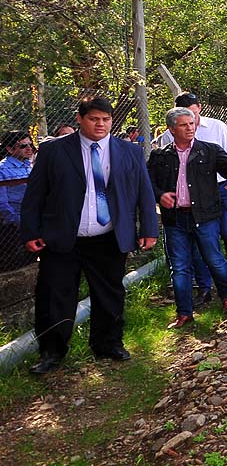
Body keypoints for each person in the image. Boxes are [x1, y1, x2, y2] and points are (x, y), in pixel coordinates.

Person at [20, 97, 158, 375]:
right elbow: (34, 195)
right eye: (94, 119)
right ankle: (51, 352)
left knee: (109, 294)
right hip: (62, 238)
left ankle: (108, 344)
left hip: (108, 237)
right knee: (55, 296)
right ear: (80, 119)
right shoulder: (55, 151)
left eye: (106, 119)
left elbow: (144, 191)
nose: (101, 124)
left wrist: (149, 229)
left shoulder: (128, 151)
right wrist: (31, 230)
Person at [147, 107, 227, 329]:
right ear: (171, 129)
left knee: (213, 258)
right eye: (184, 125)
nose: (190, 128)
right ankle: (184, 312)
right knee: (180, 266)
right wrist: (160, 195)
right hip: (175, 219)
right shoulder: (160, 156)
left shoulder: (209, 151)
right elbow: (148, 182)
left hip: (205, 217)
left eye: (191, 124)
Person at [157, 92, 227, 291]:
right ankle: (205, 286)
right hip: (192, 196)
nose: (190, 123)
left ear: (199, 107)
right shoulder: (168, 137)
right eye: (183, 119)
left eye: (192, 115)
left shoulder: (218, 127)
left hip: (222, 186)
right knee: (201, 241)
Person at [0, 130, 36, 271]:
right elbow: (2, 203)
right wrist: (17, 220)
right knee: (12, 265)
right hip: (12, 227)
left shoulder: (28, 166)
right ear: (9, 149)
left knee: (31, 260)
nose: (29, 149)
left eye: (30, 145)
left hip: (30, 221)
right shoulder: (3, 169)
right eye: (23, 146)